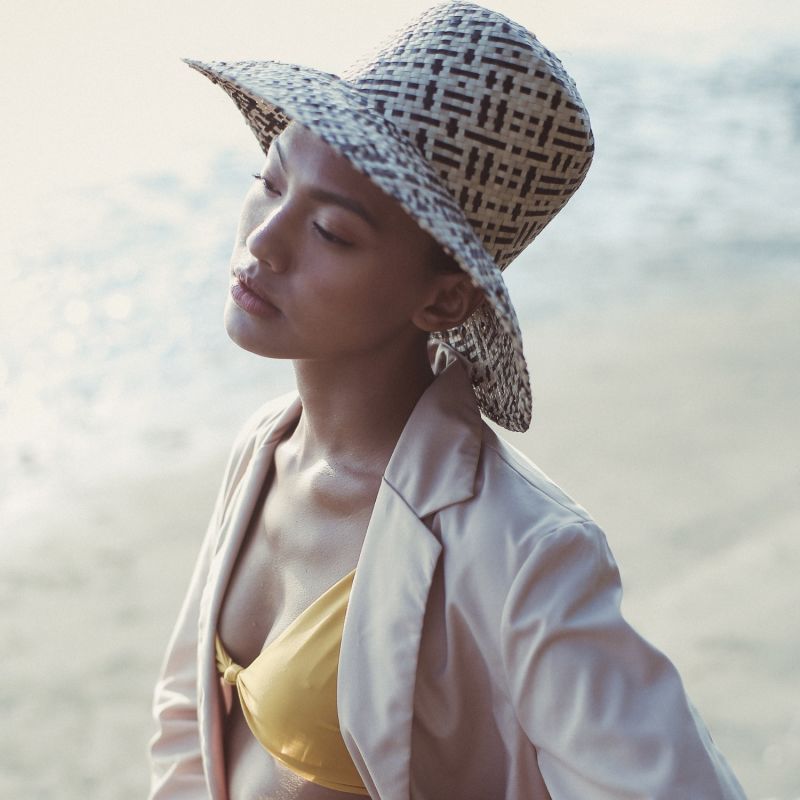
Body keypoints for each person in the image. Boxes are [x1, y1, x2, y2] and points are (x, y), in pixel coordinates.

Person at [148, 2, 747, 798]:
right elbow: (187, 723)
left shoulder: (521, 549)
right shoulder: (265, 449)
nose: (264, 239)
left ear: (442, 300)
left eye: (330, 230)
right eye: (269, 182)